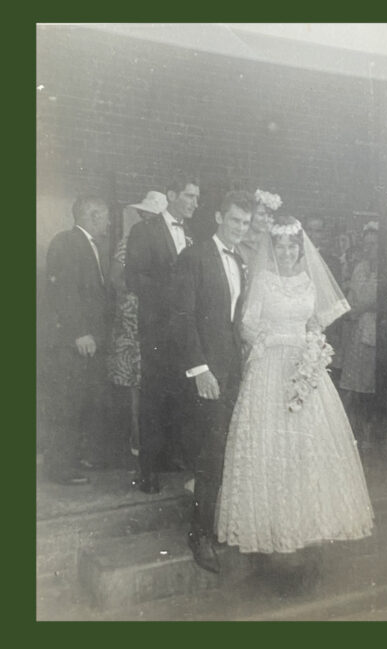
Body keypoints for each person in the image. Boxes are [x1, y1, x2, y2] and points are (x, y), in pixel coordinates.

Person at [216, 214, 373, 566]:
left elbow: (316, 323)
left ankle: (307, 524)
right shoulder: (263, 280)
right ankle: (269, 525)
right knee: (270, 444)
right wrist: (273, 344)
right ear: (272, 247)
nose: (286, 251)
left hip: (304, 367)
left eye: (292, 245)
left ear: (300, 248)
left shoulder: (307, 280)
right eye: (280, 245)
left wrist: (312, 350)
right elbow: (247, 324)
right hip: (271, 366)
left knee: (307, 444)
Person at [171, 190, 252, 573]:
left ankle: (220, 525)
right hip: (209, 374)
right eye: (235, 220)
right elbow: (182, 317)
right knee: (211, 453)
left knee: (229, 451)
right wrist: (199, 370)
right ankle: (199, 536)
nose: (240, 228)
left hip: (237, 372)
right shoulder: (195, 256)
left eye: (246, 223)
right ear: (220, 217)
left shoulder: (242, 260)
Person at [126, 175, 199, 493]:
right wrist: (170, 303)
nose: (195, 203)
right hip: (157, 330)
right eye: (189, 196)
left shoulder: (192, 235)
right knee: (154, 400)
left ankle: (174, 459)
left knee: (182, 397)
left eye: (197, 198)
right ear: (171, 195)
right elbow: (134, 278)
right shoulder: (144, 230)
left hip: (185, 331)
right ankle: (148, 472)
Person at [42, 196, 113, 485]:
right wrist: (79, 332)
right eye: (106, 216)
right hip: (71, 343)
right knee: (66, 404)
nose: (109, 222)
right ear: (93, 216)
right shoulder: (67, 242)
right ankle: (59, 468)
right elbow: (65, 291)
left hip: (85, 343)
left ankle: (75, 458)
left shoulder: (89, 245)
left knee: (80, 401)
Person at [107, 191, 168, 461]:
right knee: (135, 384)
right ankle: (138, 442)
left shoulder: (173, 242)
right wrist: (138, 292)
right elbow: (115, 278)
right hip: (134, 323)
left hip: (159, 322)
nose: (147, 219)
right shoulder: (128, 242)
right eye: (145, 215)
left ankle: (159, 445)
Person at [337, 221, 380, 443]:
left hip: (373, 331)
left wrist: (361, 309)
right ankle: (347, 432)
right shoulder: (360, 267)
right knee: (351, 382)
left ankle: (367, 434)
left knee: (368, 384)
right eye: (367, 244)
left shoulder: (385, 269)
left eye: (374, 244)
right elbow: (353, 295)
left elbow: (376, 300)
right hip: (355, 330)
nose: (370, 249)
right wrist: (352, 309)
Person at [237, 188, 280, 266]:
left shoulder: (273, 243)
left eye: (270, 215)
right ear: (250, 215)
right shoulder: (238, 242)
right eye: (261, 214)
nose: (266, 220)